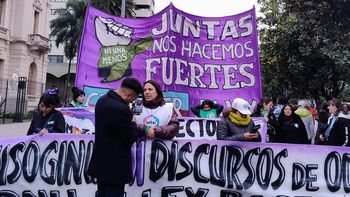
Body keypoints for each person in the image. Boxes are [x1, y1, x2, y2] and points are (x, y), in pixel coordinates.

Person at [87, 77, 143, 197]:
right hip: (115, 166)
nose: (131, 102)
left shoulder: (102, 100)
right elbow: (131, 137)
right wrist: (132, 122)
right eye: (132, 99)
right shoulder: (121, 109)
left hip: (101, 162)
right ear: (129, 95)